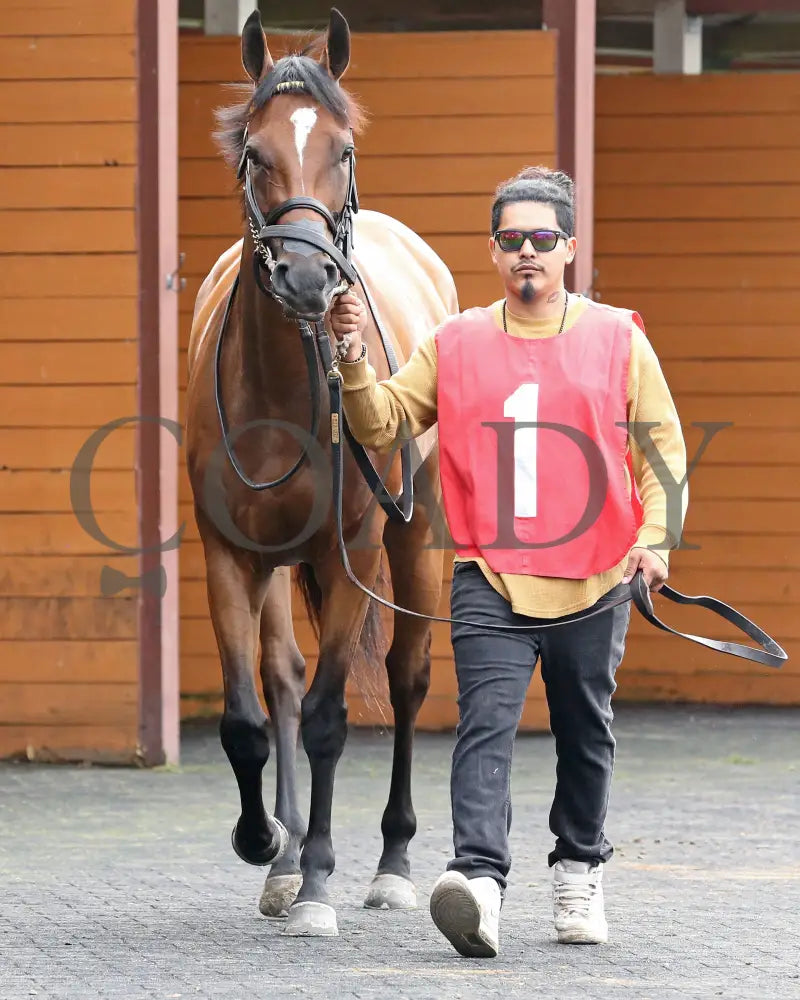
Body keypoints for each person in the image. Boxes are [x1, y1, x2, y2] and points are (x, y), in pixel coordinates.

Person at [328, 166, 687, 956]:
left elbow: (662, 446)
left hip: (597, 576)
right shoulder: (453, 342)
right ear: (493, 252)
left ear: (569, 249)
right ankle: (479, 883)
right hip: (488, 572)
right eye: (512, 239)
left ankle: (579, 869)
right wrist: (352, 354)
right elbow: (382, 423)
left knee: (584, 733)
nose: (528, 251)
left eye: (543, 239)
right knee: (483, 726)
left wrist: (653, 542)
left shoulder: (619, 336)